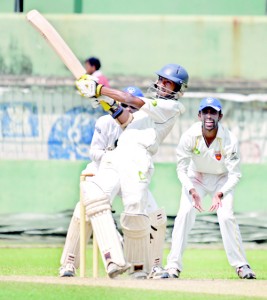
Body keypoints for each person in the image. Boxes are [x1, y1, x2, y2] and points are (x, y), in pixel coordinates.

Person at [75, 63, 189, 279]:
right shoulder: (147, 111)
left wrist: (99, 89)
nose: (163, 85)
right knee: (95, 198)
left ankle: (141, 268)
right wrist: (106, 102)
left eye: (169, 82)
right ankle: (114, 259)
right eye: (162, 80)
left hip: (137, 158)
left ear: (177, 89)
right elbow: (126, 119)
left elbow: (130, 100)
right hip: (117, 154)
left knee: (136, 211)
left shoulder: (170, 108)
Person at [59, 86, 157, 277]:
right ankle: (69, 263)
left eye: (133, 107)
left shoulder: (145, 125)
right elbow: (94, 153)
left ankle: (152, 265)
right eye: (125, 106)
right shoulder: (105, 121)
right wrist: (115, 158)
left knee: (155, 215)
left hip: (130, 174)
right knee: (85, 209)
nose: (128, 111)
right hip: (103, 170)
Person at [159, 97, 256, 280]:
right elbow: (181, 168)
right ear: (199, 115)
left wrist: (220, 193)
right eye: (206, 112)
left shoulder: (229, 140)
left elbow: (235, 174)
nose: (209, 116)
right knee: (185, 214)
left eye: (213, 112)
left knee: (226, 216)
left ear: (220, 115)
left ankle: (242, 265)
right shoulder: (189, 136)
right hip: (196, 178)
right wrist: (191, 190)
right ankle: (173, 267)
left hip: (222, 179)